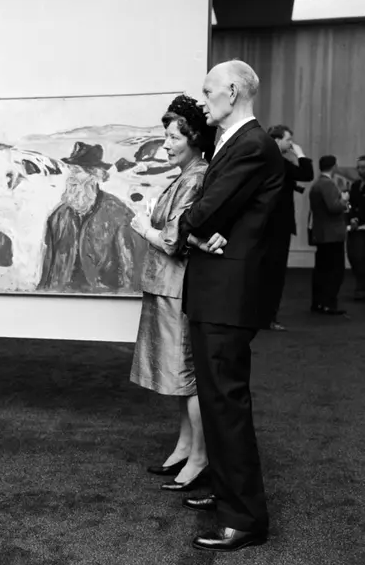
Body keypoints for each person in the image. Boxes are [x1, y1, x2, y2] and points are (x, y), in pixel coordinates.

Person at [177, 59, 285, 552]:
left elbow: (201, 213)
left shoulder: (251, 145)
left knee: (226, 403)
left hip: (229, 295)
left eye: (208, 91)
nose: (203, 100)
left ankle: (244, 519)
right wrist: (201, 229)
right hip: (219, 291)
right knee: (218, 401)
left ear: (234, 91)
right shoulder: (236, 143)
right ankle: (226, 494)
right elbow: (210, 216)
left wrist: (195, 228)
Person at [129, 95, 217, 491]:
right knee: (179, 376)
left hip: (177, 288)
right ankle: (185, 446)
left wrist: (143, 228)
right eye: (165, 137)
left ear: (194, 138)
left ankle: (200, 455)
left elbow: (173, 241)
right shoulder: (185, 176)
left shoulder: (196, 177)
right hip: (167, 286)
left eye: (173, 137)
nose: (165, 144)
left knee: (187, 375)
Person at [38, 142, 144, 293]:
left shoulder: (119, 215)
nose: (71, 178)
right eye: (71, 171)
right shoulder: (58, 217)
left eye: (77, 171)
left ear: (94, 176)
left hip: (103, 300)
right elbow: (48, 270)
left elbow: (131, 273)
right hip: (61, 299)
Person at [265, 125, 314, 331]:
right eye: (288, 140)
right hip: (278, 224)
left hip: (265, 223)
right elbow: (307, 174)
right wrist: (300, 154)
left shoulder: (264, 160)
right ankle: (269, 318)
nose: (291, 144)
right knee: (275, 274)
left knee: (264, 273)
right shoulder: (279, 162)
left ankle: (262, 317)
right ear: (277, 140)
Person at [308, 155, 349, 315]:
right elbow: (334, 207)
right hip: (332, 234)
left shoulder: (317, 184)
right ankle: (328, 303)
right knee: (334, 270)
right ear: (334, 166)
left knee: (321, 269)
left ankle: (318, 302)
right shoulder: (328, 184)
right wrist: (344, 200)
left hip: (321, 233)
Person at [346, 156, 365, 301]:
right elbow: (351, 204)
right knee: (354, 256)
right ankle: (360, 285)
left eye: (363, 167)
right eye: (358, 167)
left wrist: (358, 219)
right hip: (355, 227)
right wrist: (352, 218)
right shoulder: (356, 185)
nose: (360, 170)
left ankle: (361, 288)